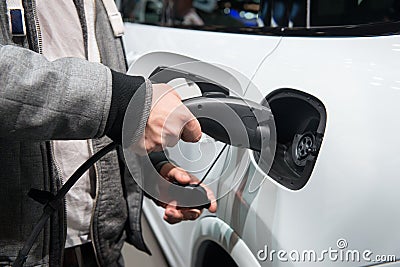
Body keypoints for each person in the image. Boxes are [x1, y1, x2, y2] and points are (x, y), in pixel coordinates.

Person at [0, 0, 216, 266]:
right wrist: (124, 103)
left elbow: (96, 112)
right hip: (22, 250)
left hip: (100, 245)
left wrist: (150, 171)